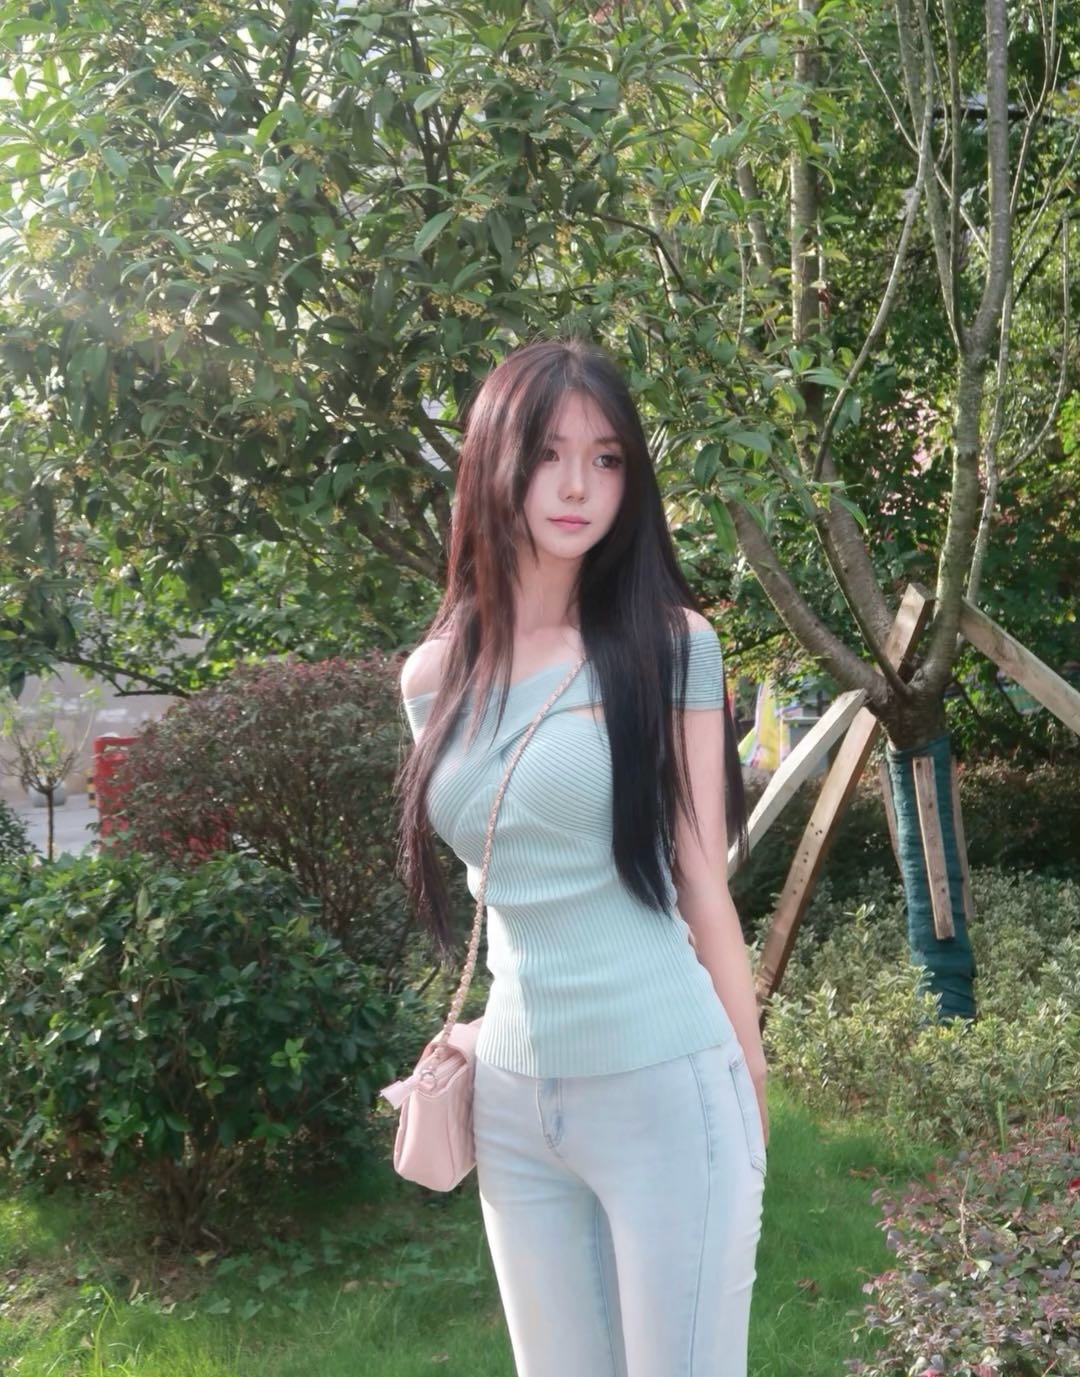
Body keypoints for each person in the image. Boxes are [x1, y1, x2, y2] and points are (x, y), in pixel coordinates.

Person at [395, 336, 768, 1377]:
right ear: (493, 463)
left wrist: (749, 1076)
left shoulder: (669, 644)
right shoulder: (434, 677)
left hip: (663, 1083)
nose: (577, 486)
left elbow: (700, 878)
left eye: (606, 459)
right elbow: (500, 875)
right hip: (513, 1098)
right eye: (549, 454)